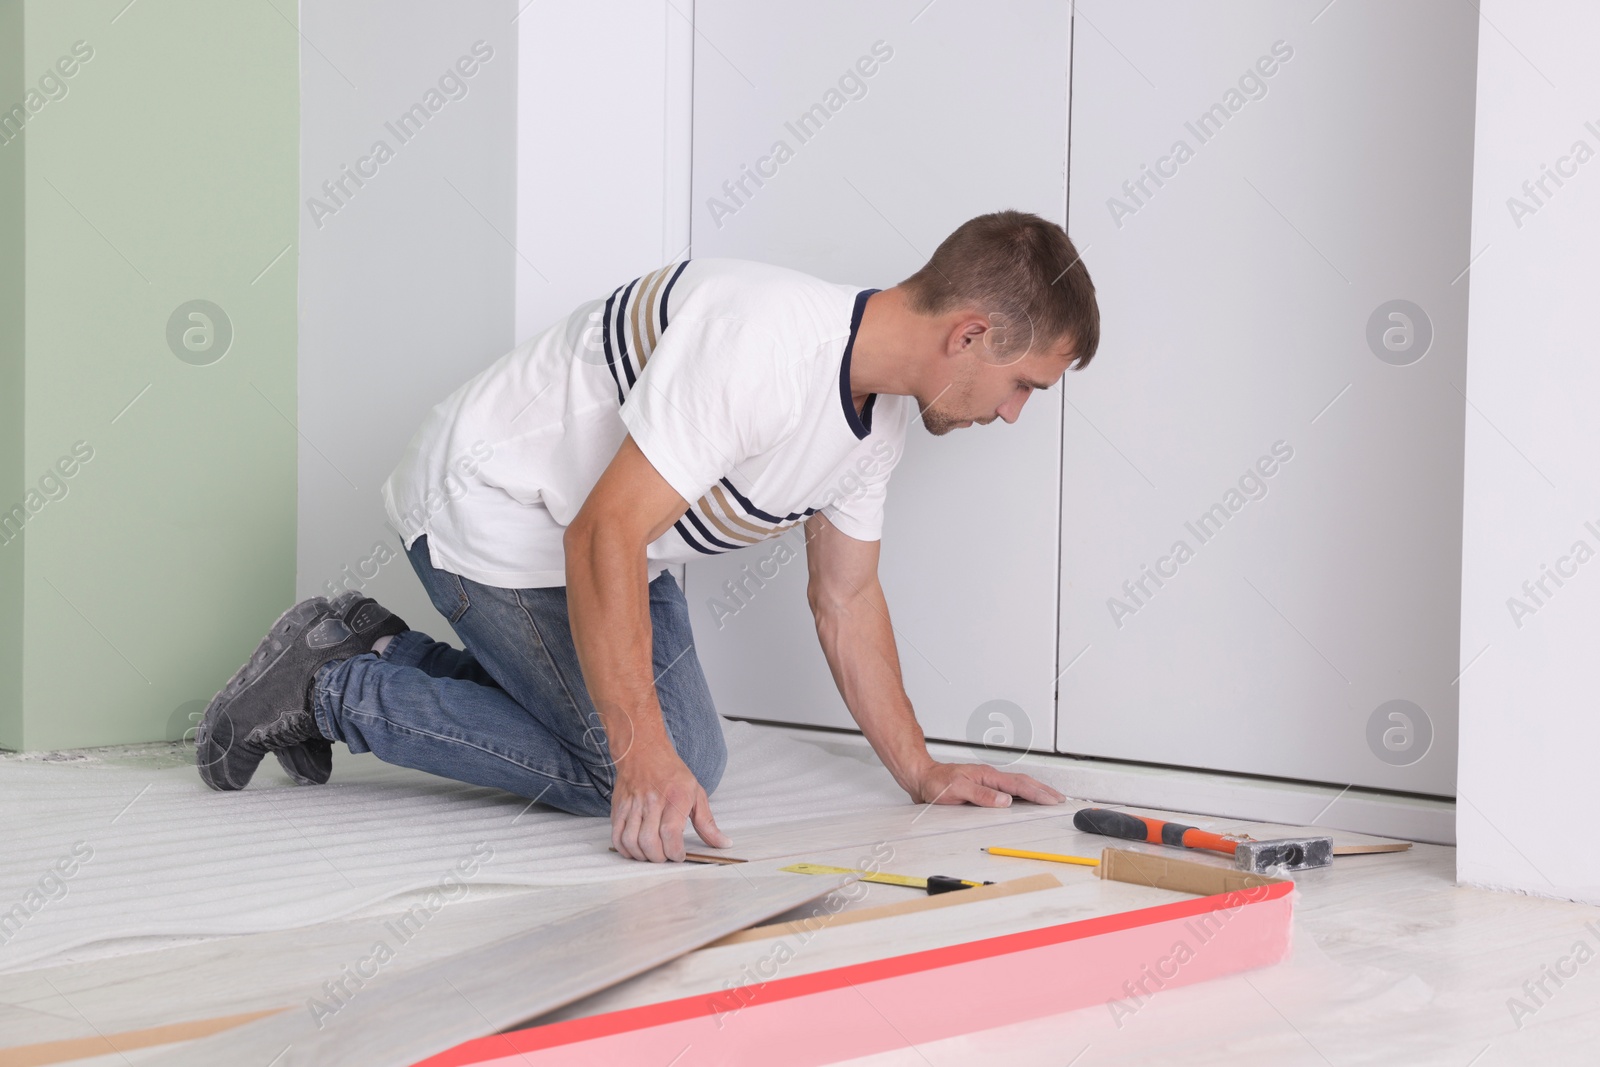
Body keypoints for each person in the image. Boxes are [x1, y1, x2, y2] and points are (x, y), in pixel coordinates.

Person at [196, 210, 1100, 863]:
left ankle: (369, 642)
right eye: (1025, 384)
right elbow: (602, 533)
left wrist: (922, 770)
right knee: (619, 771)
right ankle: (330, 686)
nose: (1015, 414)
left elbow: (846, 595)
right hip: (497, 514)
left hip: (621, 542)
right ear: (972, 334)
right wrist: (637, 757)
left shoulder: (879, 425)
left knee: (688, 762)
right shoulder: (766, 345)